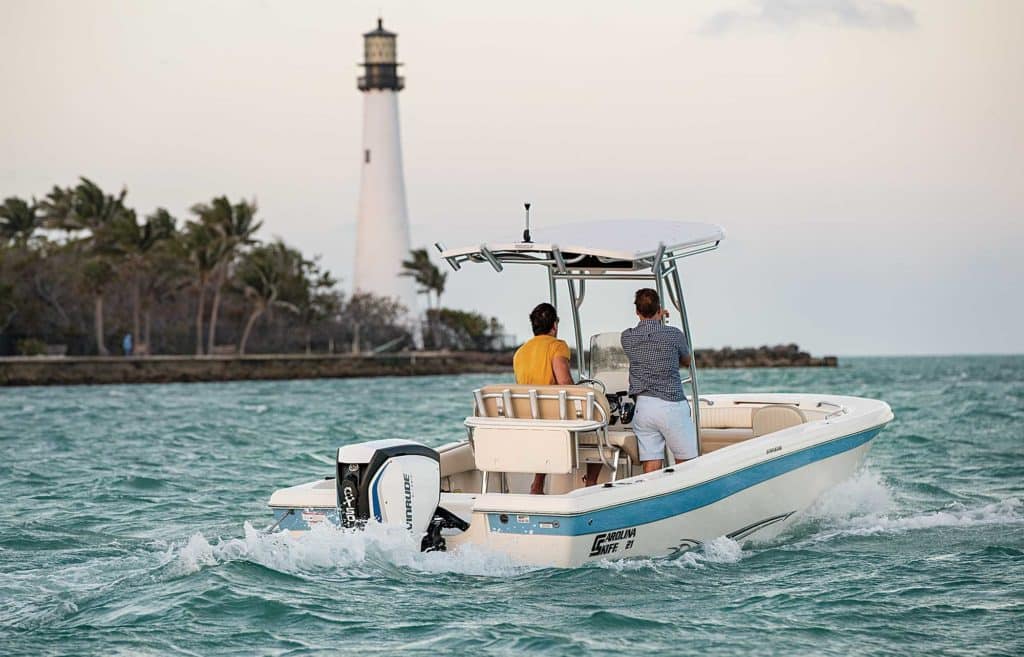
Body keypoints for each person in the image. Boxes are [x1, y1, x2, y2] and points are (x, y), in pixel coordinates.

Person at [620, 288, 698, 473]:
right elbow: (687, 361)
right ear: (659, 309)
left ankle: (650, 496)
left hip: (644, 407)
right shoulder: (673, 334)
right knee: (688, 464)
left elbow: (648, 332)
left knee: (652, 462)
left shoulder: (627, 337)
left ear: (637, 312)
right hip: (671, 405)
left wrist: (655, 316)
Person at [512, 303, 577, 494]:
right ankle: (590, 482)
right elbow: (565, 383)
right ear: (554, 325)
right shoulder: (557, 346)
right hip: (551, 418)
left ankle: (538, 485)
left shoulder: (520, 352)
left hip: (528, 418)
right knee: (597, 425)